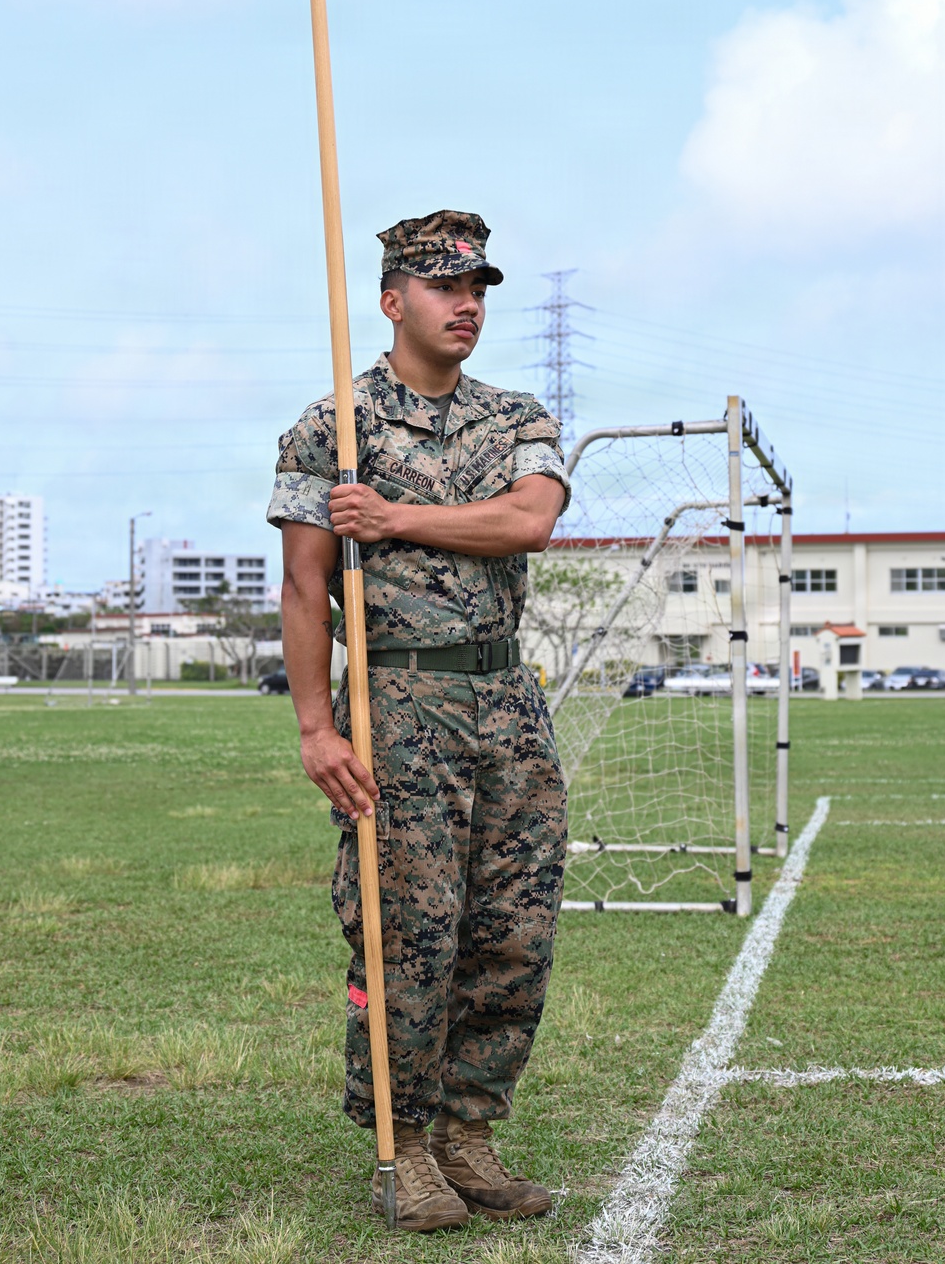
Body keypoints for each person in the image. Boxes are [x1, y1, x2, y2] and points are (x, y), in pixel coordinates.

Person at [267, 210, 570, 1232]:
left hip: (505, 704)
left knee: (513, 932)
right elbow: (304, 591)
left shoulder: (515, 417)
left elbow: (526, 521)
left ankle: (470, 1135)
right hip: (394, 703)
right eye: (445, 287)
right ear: (394, 300)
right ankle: (404, 1149)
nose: (466, 303)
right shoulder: (331, 428)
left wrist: (392, 517)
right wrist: (317, 728)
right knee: (409, 936)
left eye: (478, 286)